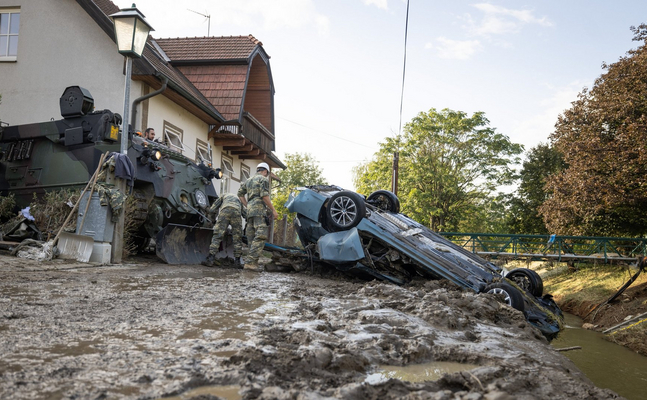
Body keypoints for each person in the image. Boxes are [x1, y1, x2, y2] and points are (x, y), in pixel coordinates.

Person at [238, 162, 278, 271]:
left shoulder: (248, 180)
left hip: (249, 212)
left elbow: (240, 194)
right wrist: (273, 210)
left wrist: (247, 205)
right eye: (267, 173)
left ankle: (252, 264)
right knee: (260, 236)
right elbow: (264, 196)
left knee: (251, 237)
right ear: (265, 171)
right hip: (259, 210)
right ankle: (251, 262)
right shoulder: (263, 179)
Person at [207, 192, 245, 267]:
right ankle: (237, 261)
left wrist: (211, 218)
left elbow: (212, 209)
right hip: (236, 213)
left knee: (217, 235)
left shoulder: (223, 196)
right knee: (237, 238)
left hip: (225, 211)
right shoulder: (238, 200)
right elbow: (245, 213)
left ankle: (211, 259)